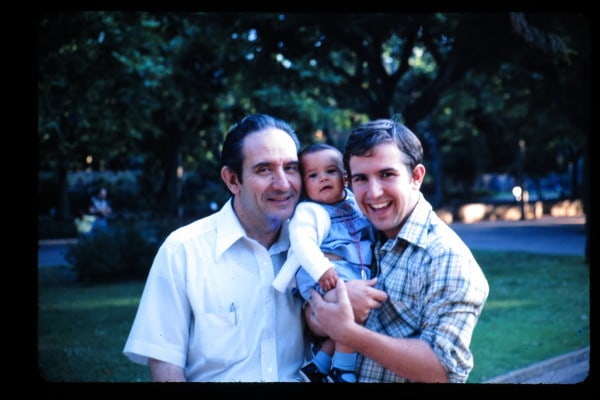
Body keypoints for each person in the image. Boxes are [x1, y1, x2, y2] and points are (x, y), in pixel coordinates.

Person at [123, 114, 311, 382]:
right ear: (232, 180)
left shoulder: (315, 247)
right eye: (264, 170)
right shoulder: (183, 250)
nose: (283, 184)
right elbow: (166, 364)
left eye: (291, 168)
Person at [305, 119, 489, 383]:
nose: (373, 192)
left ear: (416, 177)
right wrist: (333, 307)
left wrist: (347, 332)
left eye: (386, 175)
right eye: (360, 179)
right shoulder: (355, 232)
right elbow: (308, 311)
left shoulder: (446, 257)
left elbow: (443, 370)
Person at [272, 143, 375, 383]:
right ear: (304, 184)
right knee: (347, 309)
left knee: (358, 311)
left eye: (331, 171)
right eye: (313, 175)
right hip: (322, 276)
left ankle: (320, 364)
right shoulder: (310, 211)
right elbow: (302, 242)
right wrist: (322, 269)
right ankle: (343, 368)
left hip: (350, 274)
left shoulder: (353, 203)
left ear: (345, 177)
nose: (323, 179)